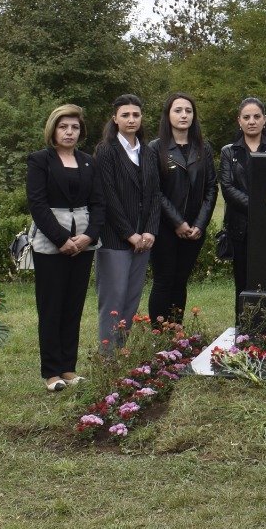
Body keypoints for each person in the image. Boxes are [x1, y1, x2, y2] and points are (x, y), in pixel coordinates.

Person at [26, 104, 104, 391]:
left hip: (84, 242)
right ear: (53, 129)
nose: (69, 132)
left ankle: (68, 369)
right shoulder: (39, 161)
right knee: (51, 306)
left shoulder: (88, 161)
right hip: (51, 243)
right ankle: (51, 373)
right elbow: (37, 204)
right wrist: (62, 239)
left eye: (74, 127)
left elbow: (98, 203)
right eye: (63, 127)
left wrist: (88, 237)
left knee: (73, 306)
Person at [92, 94, 160, 355]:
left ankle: (120, 350)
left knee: (131, 300)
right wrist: (129, 234)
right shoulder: (106, 151)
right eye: (125, 115)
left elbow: (155, 194)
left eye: (136, 115)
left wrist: (150, 230)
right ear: (115, 119)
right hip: (115, 240)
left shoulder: (148, 151)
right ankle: (106, 357)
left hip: (144, 239)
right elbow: (108, 197)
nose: (131, 119)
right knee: (113, 301)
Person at [147, 93, 217, 326]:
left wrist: (199, 224)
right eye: (178, 110)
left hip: (194, 230)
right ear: (168, 115)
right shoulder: (156, 148)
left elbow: (210, 190)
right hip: (165, 228)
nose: (184, 115)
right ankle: (158, 333)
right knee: (164, 280)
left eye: (188, 110)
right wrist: (177, 222)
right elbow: (155, 191)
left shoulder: (203, 148)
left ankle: (176, 332)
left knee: (180, 281)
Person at [219, 97, 266, 320]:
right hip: (241, 227)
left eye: (256, 116)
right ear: (239, 121)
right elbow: (227, 188)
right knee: (243, 282)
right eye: (246, 117)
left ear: (264, 120)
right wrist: (258, 206)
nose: (251, 121)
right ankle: (243, 328)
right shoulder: (229, 152)